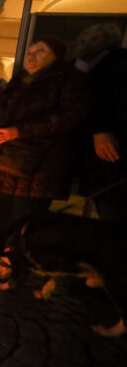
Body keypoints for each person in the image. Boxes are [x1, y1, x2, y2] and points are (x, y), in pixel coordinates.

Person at [0, 37, 87, 289]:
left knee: (24, 222)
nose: (32, 56)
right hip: (1, 163)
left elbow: (69, 117)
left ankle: (19, 271)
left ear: (56, 57)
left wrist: (20, 131)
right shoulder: (15, 84)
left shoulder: (67, 80)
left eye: (41, 51)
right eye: (30, 51)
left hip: (37, 166)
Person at [75, 24, 127, 224]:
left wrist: (100, 130)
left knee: (113, 212)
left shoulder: (118, 65)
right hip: (90, 156)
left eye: (94, 39)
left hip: (111, 154)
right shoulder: (79, 67)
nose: (87, 43)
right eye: (85, 38)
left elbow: (103, 101)